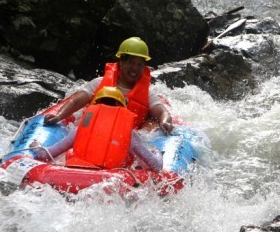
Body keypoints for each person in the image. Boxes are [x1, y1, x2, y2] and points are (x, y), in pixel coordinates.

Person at [43, 37, 174, 134]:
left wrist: (165, 121)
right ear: (121, 62)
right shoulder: (99, 82)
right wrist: (60, 115)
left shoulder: (147, 93)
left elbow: (163, 112)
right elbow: (77, 100)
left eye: (140, 64)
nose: (135, 68)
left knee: (151, 122)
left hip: (127, 138)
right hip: (95, 130)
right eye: (131, 62)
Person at [31, 86, 163, 171]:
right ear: (121, 108)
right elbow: (155, 166)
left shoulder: (81, 129)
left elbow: (46, 155)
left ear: (94, 107)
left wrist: (36, 145)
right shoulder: (129, 135)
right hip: (110, 180)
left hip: (75, 174)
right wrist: (157, 153)